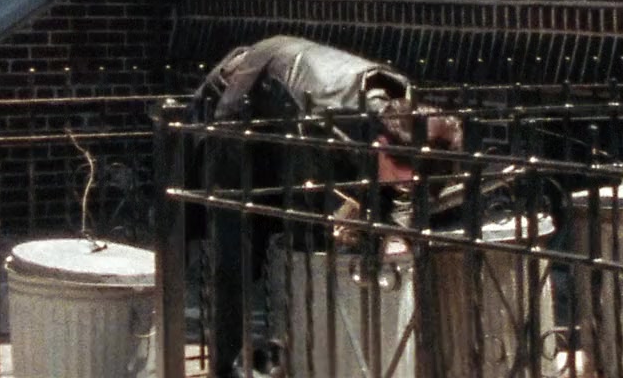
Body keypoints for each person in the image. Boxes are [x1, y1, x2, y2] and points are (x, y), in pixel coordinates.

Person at [188, 35, 463, 377]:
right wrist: (368, 227)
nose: (406, 188)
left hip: (291, 100)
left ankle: (290, 347)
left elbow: (399, 196)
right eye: (403, 180)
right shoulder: (321, 124)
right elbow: (314, 207)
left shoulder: (404, 108)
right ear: (381, 147)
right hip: (242, 98)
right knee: (239, 242)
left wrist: (396, 230)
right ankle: (228, 363)